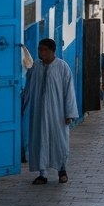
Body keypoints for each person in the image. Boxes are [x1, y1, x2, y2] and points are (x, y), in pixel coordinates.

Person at [22, 37, 79, 184]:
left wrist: (70, 114)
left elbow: (69, 91)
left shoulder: (62, 67)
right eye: (39, 49)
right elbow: (28, 89)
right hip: (39, 112)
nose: (41, 52)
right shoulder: (35, 67)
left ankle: (62, 170)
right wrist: (21, 108)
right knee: (39, 140)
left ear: (52, 51)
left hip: (57, 113)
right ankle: (43, 174)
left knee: (59, 141)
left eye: (44, 49)